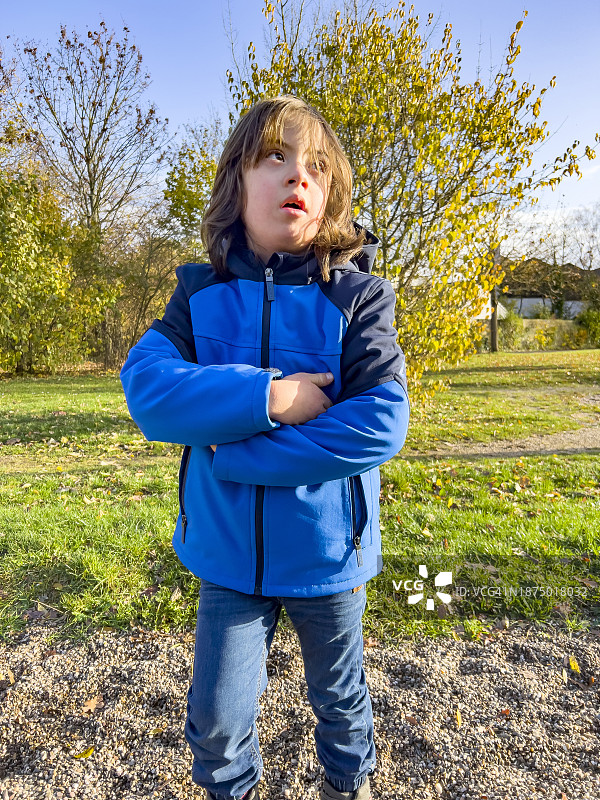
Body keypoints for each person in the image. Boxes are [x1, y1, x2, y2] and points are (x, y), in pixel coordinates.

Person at [120, 95, 409, 800]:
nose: (297, 176)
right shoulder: (199, 295)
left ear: (332, 193)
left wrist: (241, 454)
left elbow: (381, 423)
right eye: (275, 157)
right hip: (227, 557)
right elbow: (149, 392)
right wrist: (270, 398)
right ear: (236, 181)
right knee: (217, 719)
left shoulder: (359, 299)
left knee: (340, 702)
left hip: (326, 556)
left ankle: (348, 786)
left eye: (315, 165)